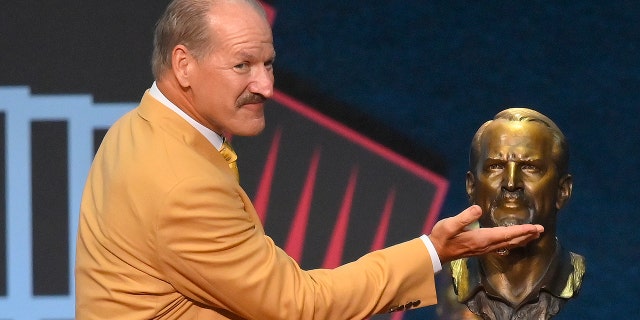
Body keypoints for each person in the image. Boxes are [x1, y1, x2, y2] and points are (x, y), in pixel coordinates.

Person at [74, 1, 544, 319]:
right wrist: (433, 252)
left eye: (268, 63)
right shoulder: (180, 182)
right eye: (243, 66)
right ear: (183, 65)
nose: (265, 86)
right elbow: (298, 307)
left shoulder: (138, 128)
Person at [450, 108, 586, 319]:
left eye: (530, 167)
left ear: (562, 191)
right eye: (495, 166)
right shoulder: (452, 276)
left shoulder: (577, 279)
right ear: (471, 187)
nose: (511, 183)